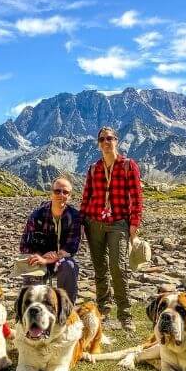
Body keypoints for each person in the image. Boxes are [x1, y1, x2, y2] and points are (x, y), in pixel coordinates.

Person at [78, 125, 143, 329]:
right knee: (100, 268)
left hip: (118, 223)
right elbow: (86, 197)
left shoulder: (128, 165)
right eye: (102, 139)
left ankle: (125, 314)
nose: (106, 142)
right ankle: (103, 309)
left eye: (110, 138)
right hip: (94, 223)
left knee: (118, 266)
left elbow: (137, 198)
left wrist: (134, 224)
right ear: (98, 144)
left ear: (117, 141)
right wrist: (81, 222)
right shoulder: (93, 168)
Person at [17, 176, 83, 302]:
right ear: (51, 193)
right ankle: (32, 306)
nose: (61, 195)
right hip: (38, 258)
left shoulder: (74, 217)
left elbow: (71, 247)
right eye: (57, 191)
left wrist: (50, 259)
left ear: (70, 196)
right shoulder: (37, 215)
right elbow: (25, 245)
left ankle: (66, 307)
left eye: (65, 192)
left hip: (60, 260)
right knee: (31, 266)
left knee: (69, 265)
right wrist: (39, 257)